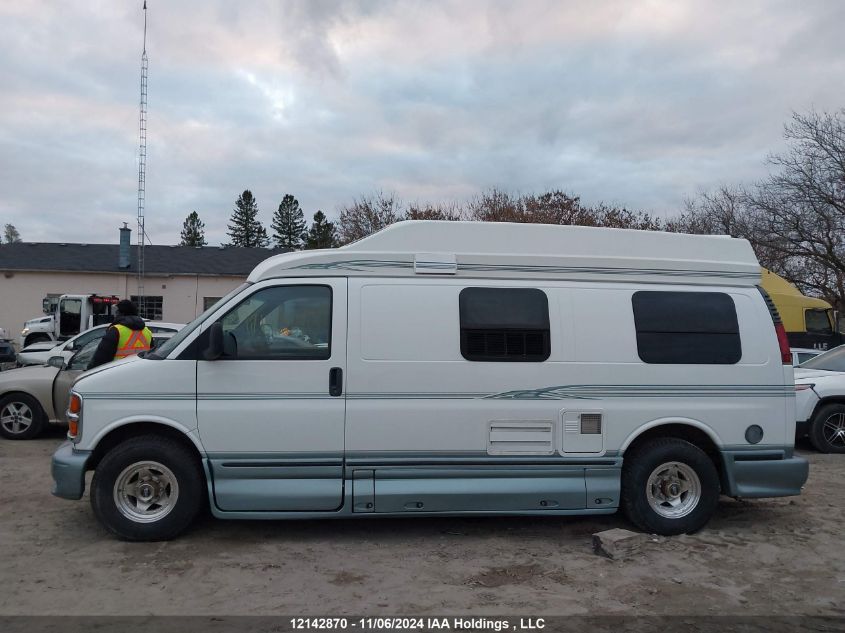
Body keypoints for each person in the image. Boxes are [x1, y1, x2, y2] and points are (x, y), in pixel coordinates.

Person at [87, 299, 153, 369]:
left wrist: (89, 371)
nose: (116, 314)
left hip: (118, 372)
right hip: (141, 371)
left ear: (121, 313)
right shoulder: (147, 331)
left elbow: (101, 358)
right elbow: (151, 355)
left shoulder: (116, 330)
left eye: (117, 311)